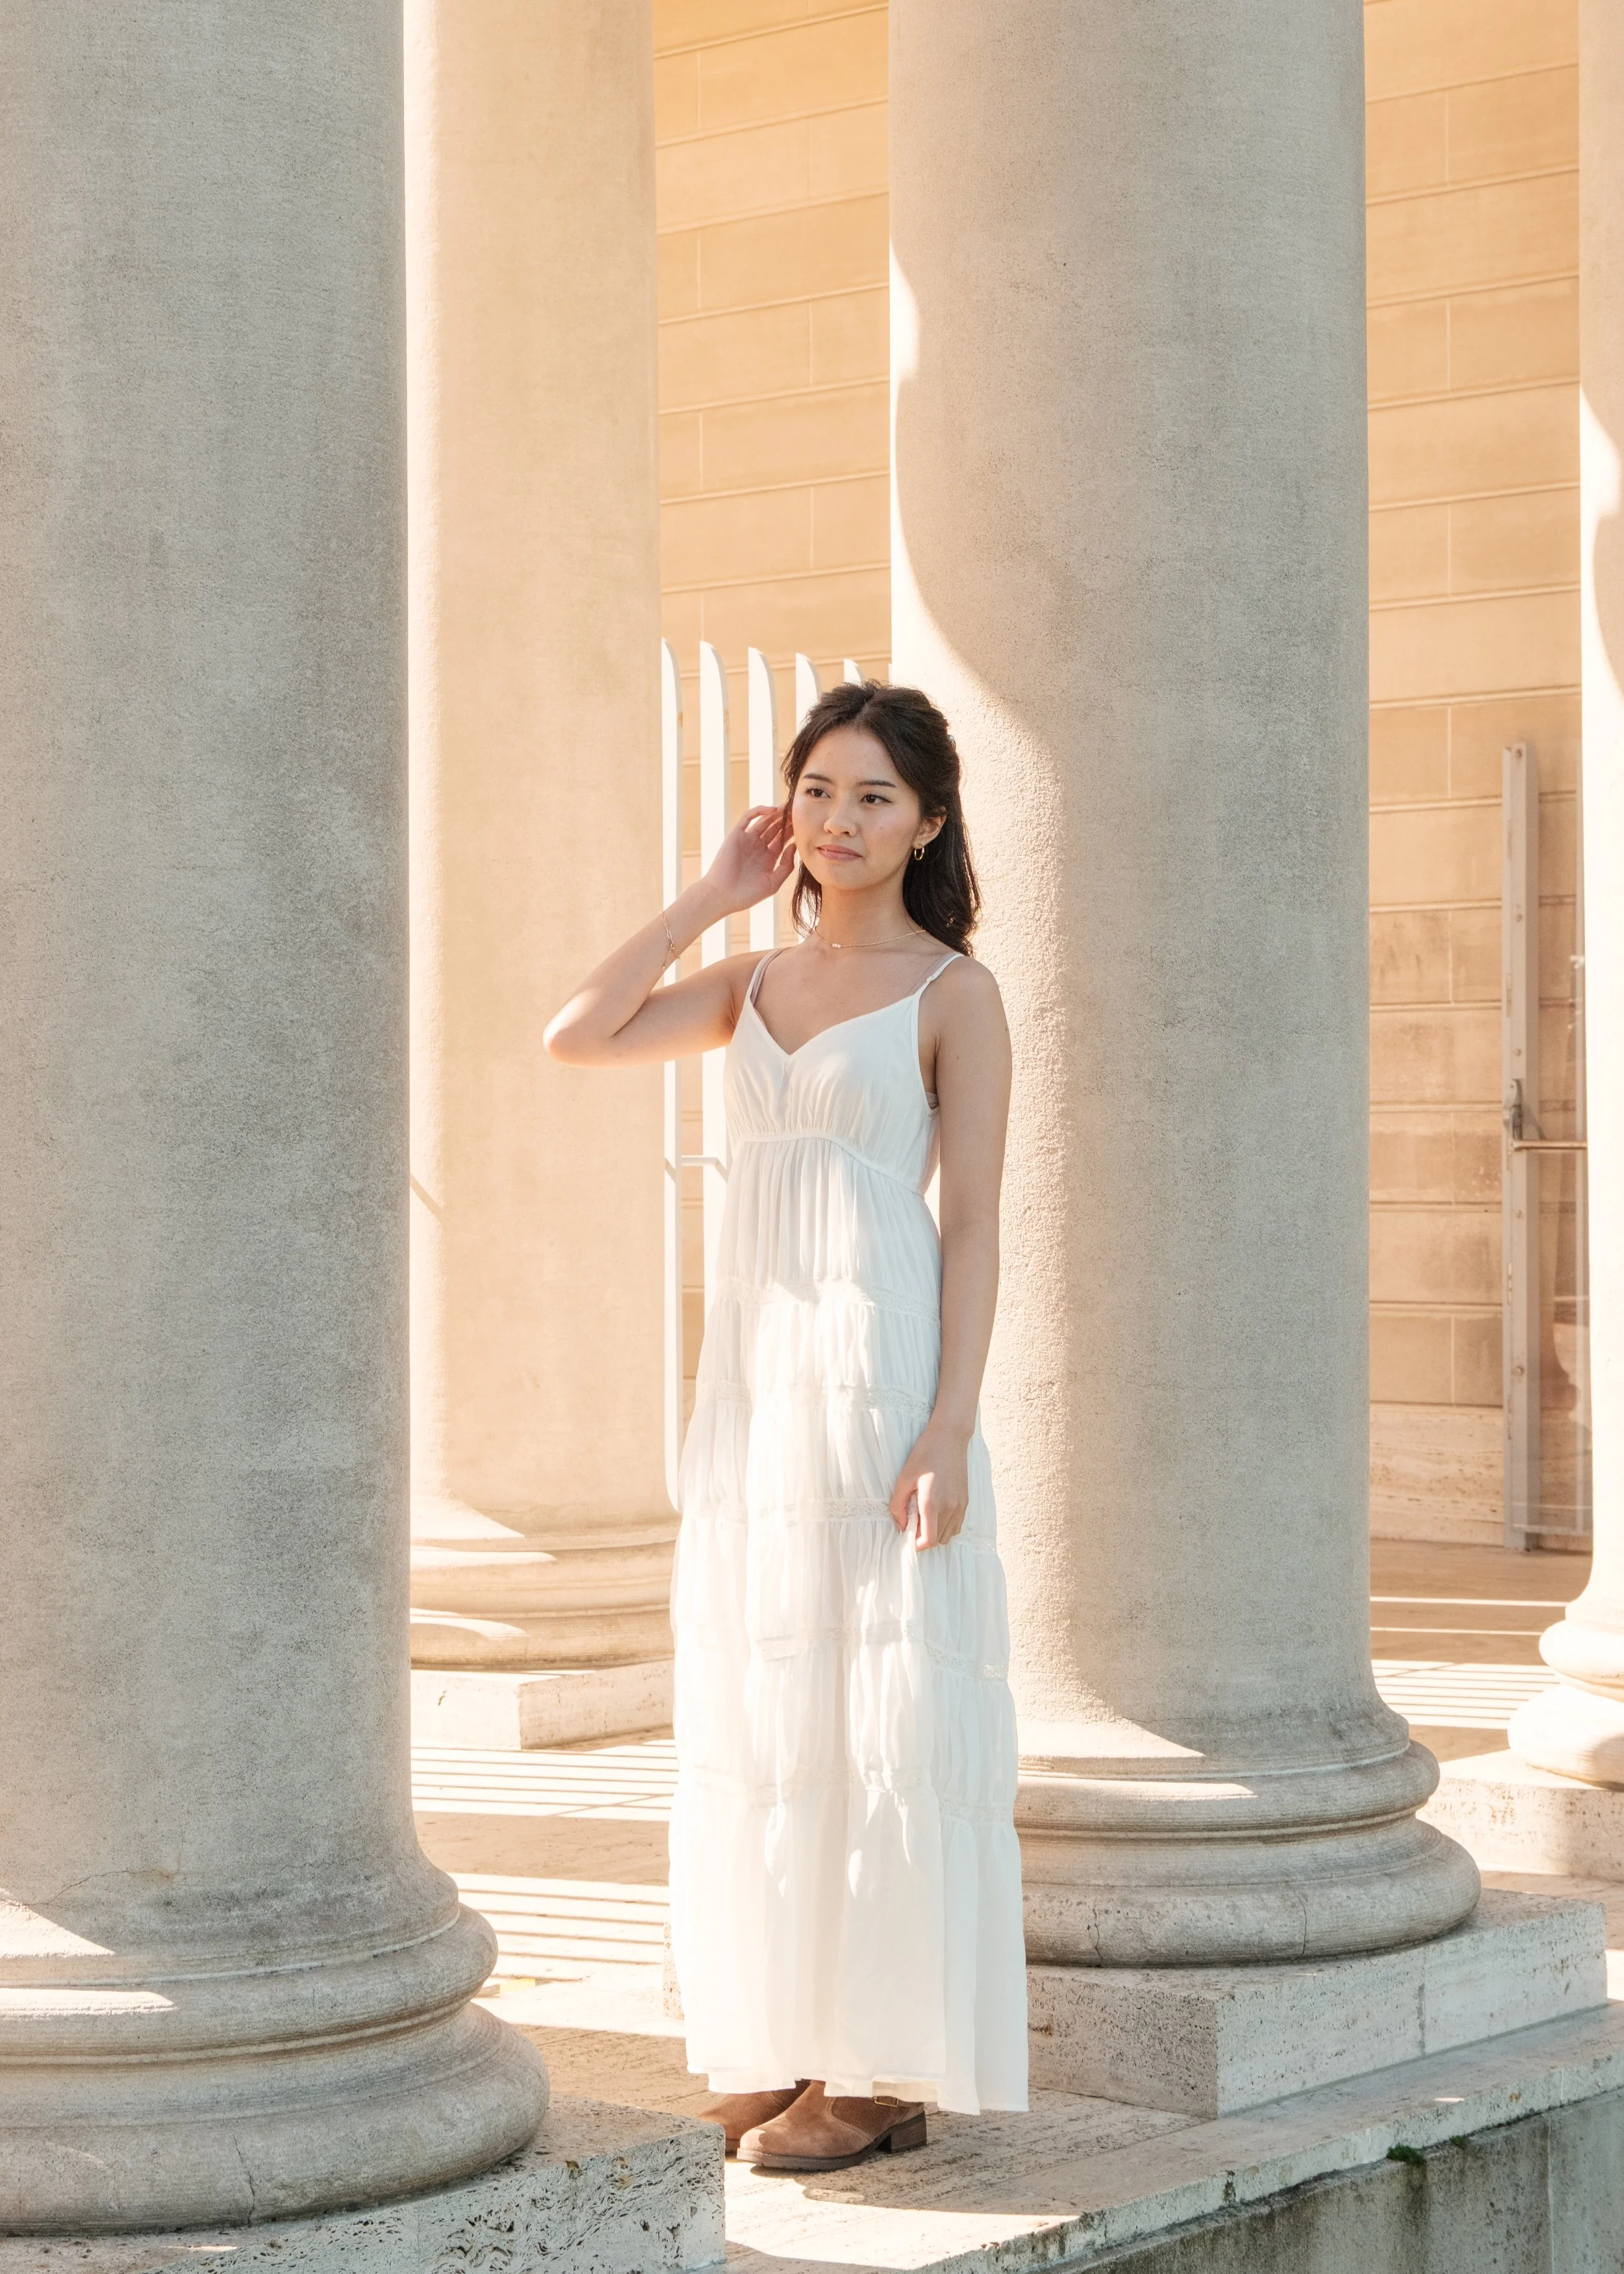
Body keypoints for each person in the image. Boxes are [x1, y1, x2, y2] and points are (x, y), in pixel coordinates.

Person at [545, 680, 1027, 2171]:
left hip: (879, 1374)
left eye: (874, 795)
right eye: (818, 790)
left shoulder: (955, 993)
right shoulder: (747, 978)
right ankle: (785, 2040)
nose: (839, 819)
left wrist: (948, 1425)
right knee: (776, 1710)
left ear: (928, 821)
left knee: (883, 1708)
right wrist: (704, 894)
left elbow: (973, 1228)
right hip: (757, 1376)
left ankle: (878, 2074)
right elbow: (576, 1032)